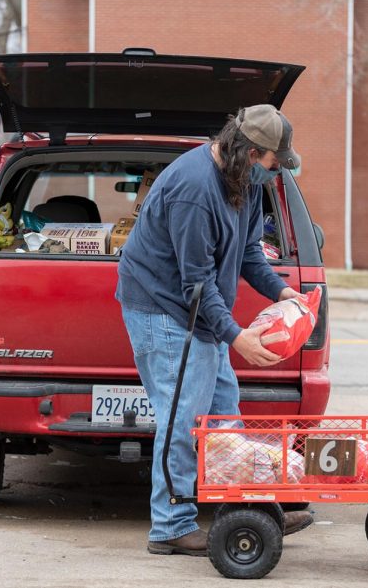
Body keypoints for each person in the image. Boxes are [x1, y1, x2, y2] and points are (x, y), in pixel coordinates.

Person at [116, 104, 313, 556]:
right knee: (184, 422)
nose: (276, 171)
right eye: (274, 162)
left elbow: (249, 254)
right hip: (164, 311)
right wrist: (235, 335)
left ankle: (251, 511)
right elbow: (196, 284)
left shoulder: (242, 182)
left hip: (200, 313)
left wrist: (282, 294)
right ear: (251, 150)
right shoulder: (194, 188)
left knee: (225, 417)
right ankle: (170, 527)